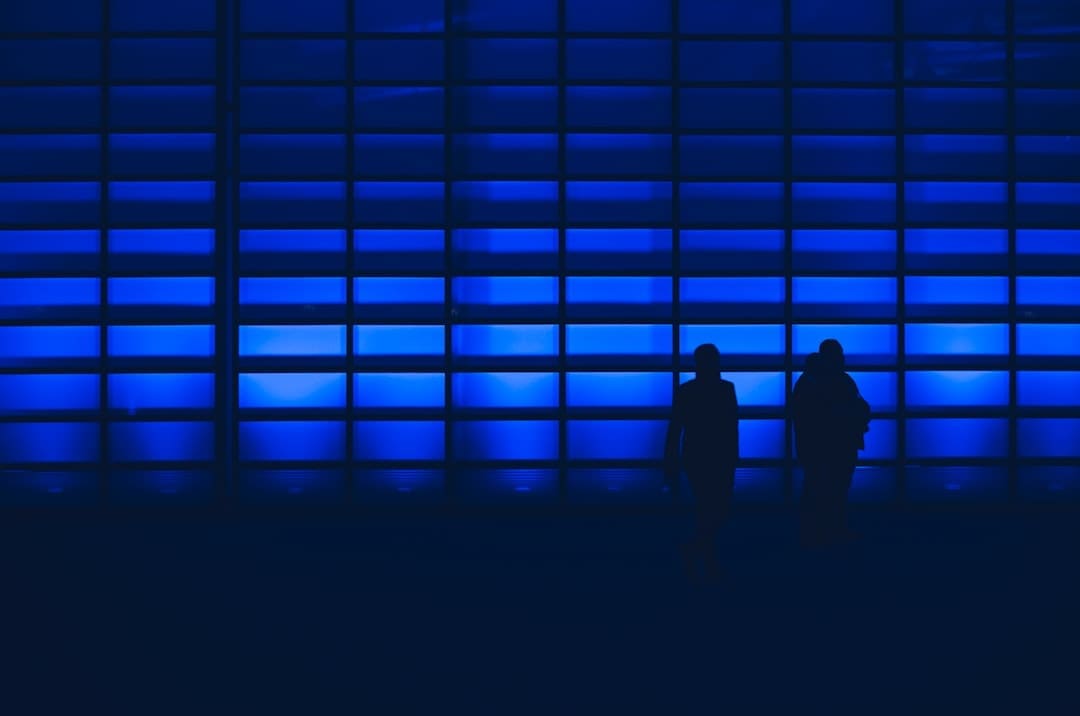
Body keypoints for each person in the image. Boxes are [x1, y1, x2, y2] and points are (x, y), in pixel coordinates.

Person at [664, 343, 739, 581]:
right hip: (720, 455)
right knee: (718, 508)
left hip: (696, 455)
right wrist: (734, 456)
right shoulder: (726, 389)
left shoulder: (686, 391)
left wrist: (670, 463)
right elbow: (731, 426)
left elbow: (675, 429)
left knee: (706, 507)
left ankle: (699, 552)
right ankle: (704, 555)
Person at [792, 339, 870, 547]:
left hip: (823, 447)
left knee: (822, 487)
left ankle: (818, 532)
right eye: (840, 354)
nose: (843, 358)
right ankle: (827, 530)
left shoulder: (810, 381)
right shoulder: (837, 380)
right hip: (835, 446)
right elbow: (854, 407)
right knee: (833, 488)